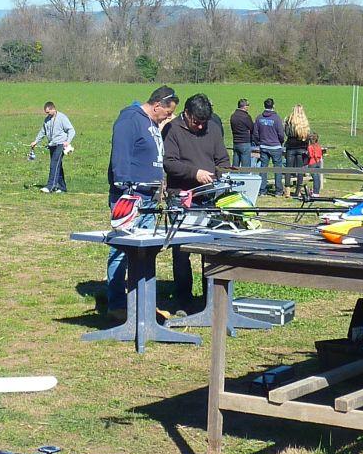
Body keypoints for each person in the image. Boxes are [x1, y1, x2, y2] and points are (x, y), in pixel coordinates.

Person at [104, 86, 178, 315]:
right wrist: (125, 191)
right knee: (122, 251)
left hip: (150, 198)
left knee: (146, 252)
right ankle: (117, 304)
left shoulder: (152, 123)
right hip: (131, 198)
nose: (168, 117)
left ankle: (143, 303)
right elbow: (120, 156)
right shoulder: (129, 120)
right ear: (157, 106)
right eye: (167, 113)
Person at [163, 92, 230, 305]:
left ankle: (210, 298)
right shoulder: (172, 129)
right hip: (181, 197)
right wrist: (195, 173)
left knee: (211, 248)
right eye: (196, 122)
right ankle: (183, 297)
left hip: (209, 197)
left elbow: (222, 160)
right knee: (181, 250)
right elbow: (169, 163)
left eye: (204, 122)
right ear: (186, 113)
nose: (200, 126)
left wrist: (221, 175)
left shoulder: (213, 129)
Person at [30, 100, 75, 194]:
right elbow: (42, 132)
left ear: (53, 109)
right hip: (52, 145)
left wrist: (67, 142)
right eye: (46, 113)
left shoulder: (62, 118)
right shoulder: (47, 120)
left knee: (54, 164)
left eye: (48, 112)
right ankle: (62, 187)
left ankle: (50, 186)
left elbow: (71, 130)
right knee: (58, 165)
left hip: (61, 145)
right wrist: (36, 141)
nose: (47, 114)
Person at [254, 99, 286, 196]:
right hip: (275, 147)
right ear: (273, 106)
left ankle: (262, 190)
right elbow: (281, 134)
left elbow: (255, 133)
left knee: (263, 169)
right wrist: (280, 142)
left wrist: (259, 142)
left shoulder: (259, 118)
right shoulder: (277, 118)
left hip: (263, 146)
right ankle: (278, 191)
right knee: (277, 169)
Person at [283, 104, 315, 195]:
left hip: (291, 147)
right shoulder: (304, 122)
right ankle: (298, 190)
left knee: (288, 169)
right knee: (300, 170)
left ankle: (287, 190)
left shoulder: (289, 121)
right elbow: (308, 135)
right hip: (302, 148)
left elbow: (287, 133)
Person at [229, 99, 255, 169]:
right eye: (248, 105)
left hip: (235, 142)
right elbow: (252, 128)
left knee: (235, 165)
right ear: (244, 106)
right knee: (245, 167)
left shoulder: (233, 116)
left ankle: (234, 175)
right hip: (244, 142)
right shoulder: (246, 116)